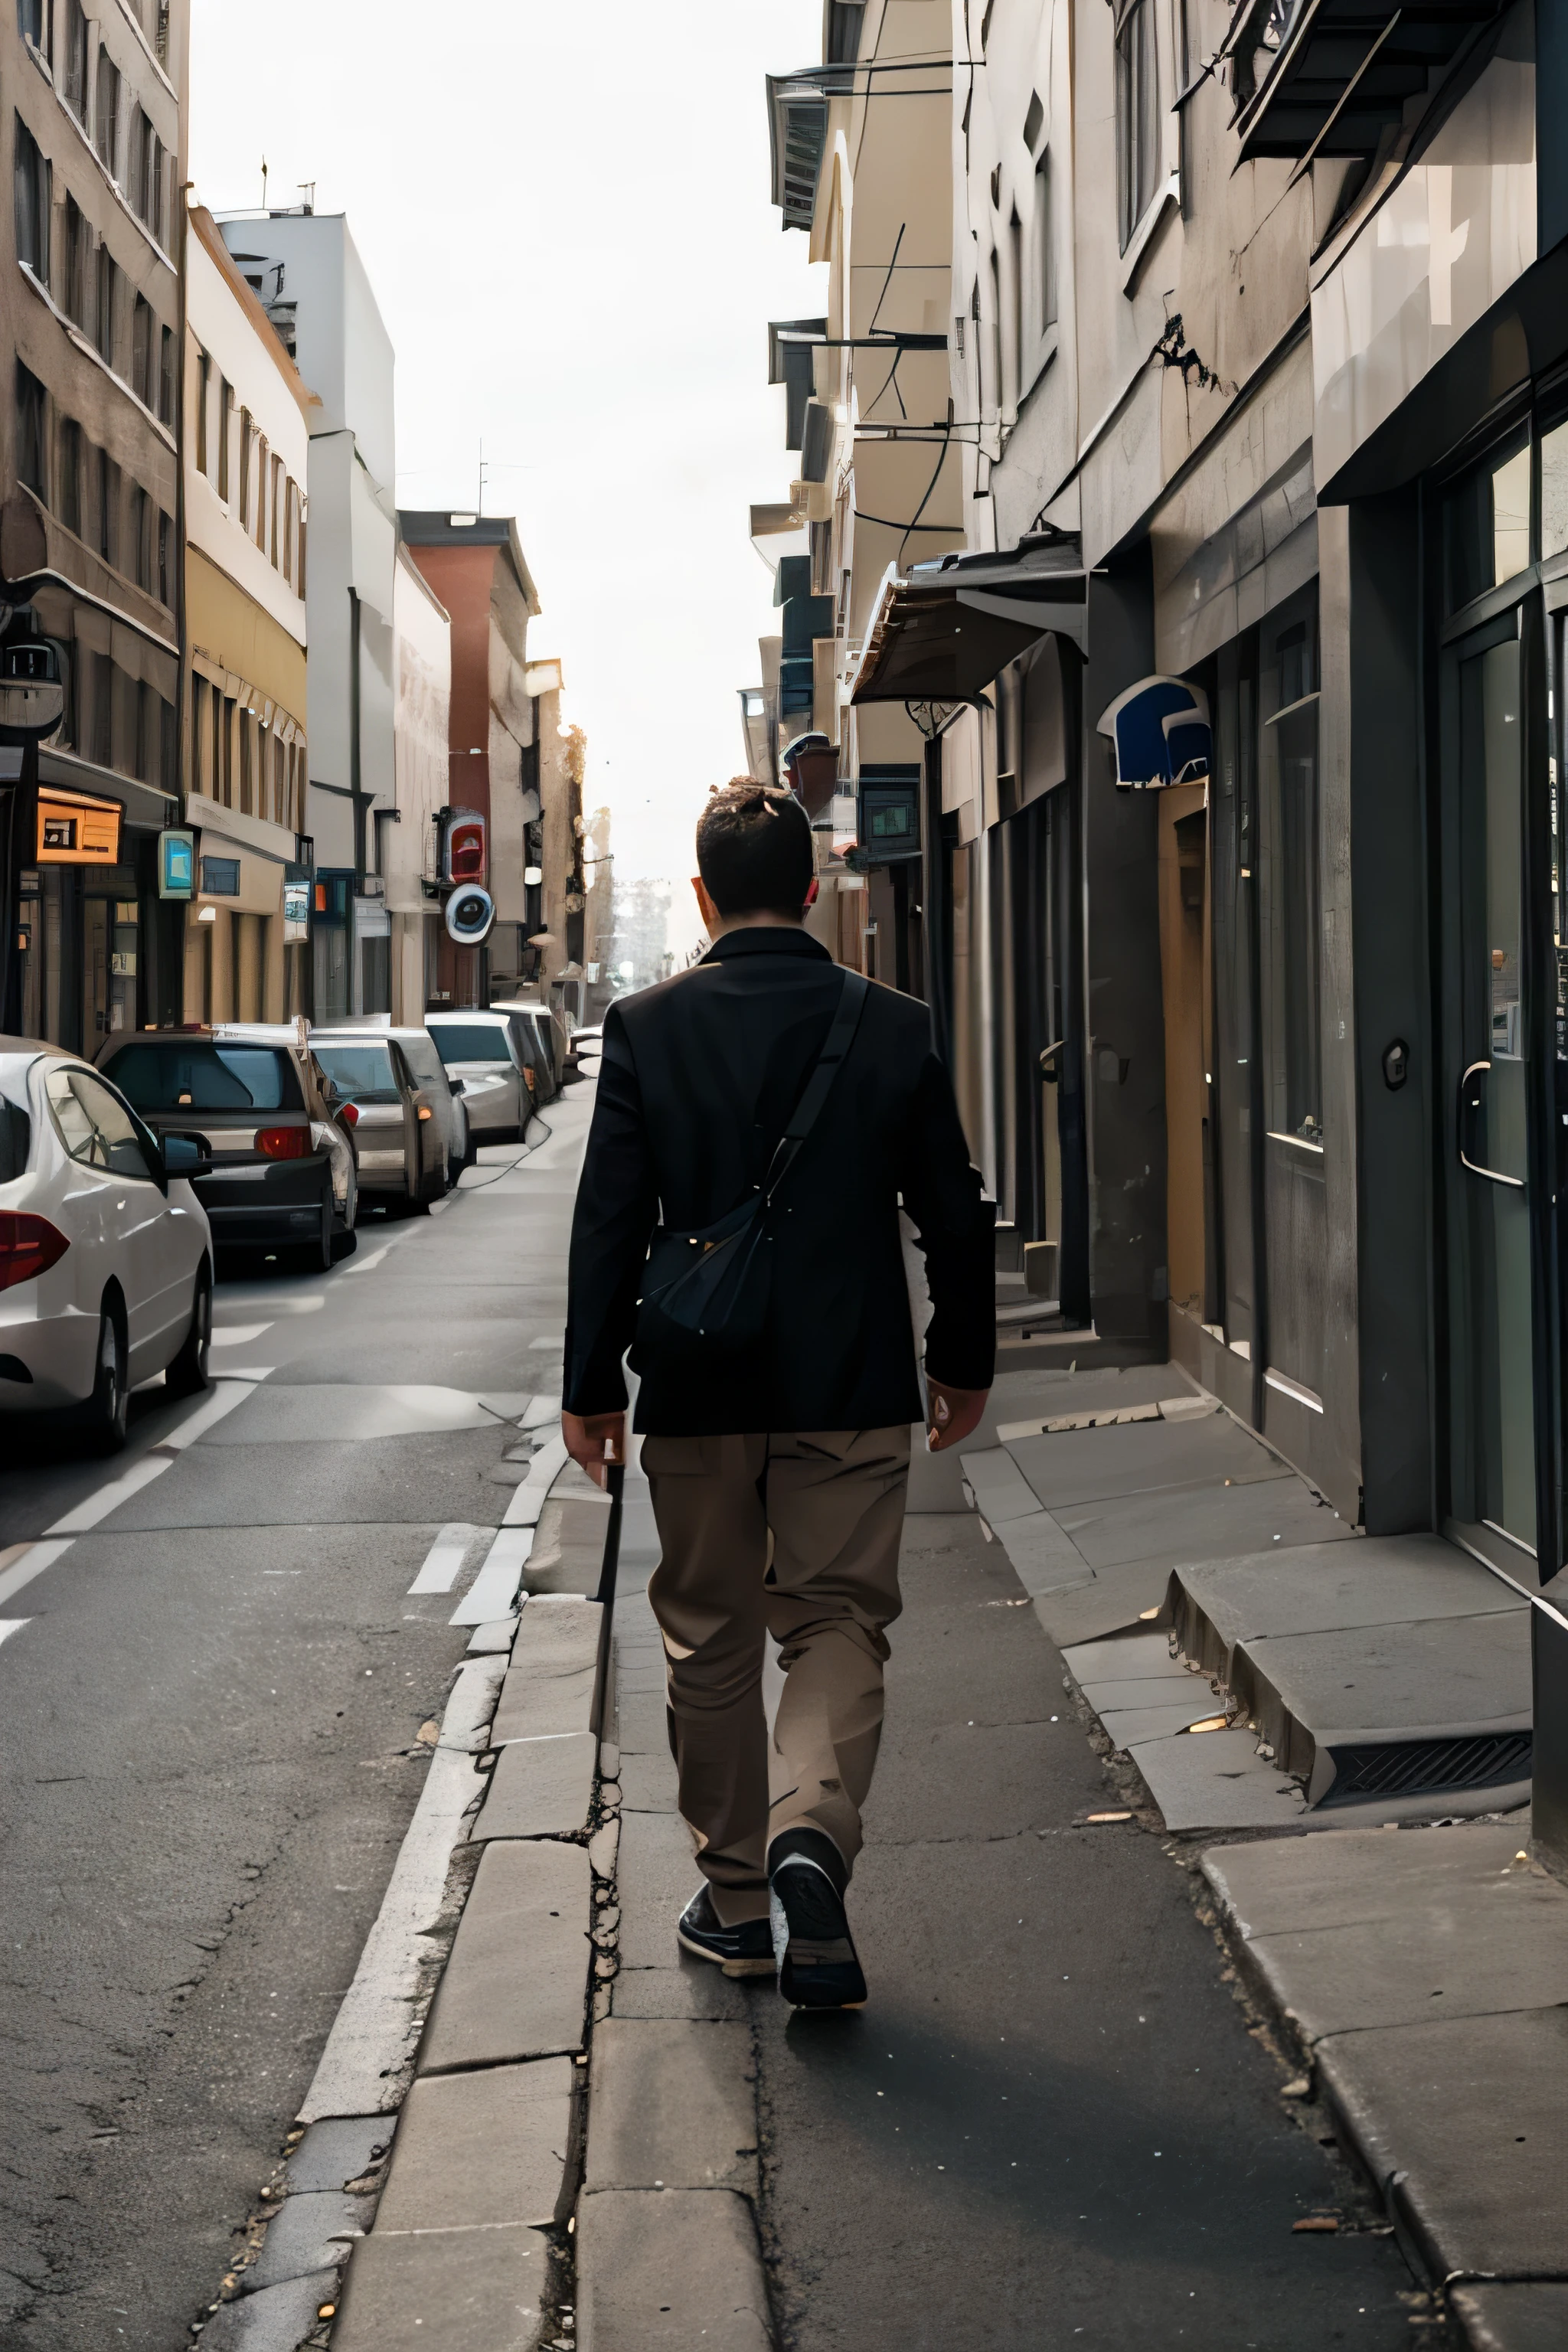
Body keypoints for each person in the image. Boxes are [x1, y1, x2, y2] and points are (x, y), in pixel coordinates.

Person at [562, 780, 994, 2010]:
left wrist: (590, 1388)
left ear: (702, 894)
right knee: (838, 1623)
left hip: (695, 1385)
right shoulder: (892, 1022)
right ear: (815, 889)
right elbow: (953, 1210)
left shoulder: (647, 1025)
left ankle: (741, 1904)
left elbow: (610, 1220)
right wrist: (960, 1358)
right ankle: (814, 1829)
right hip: (850, 1378)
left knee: (710, 1635)